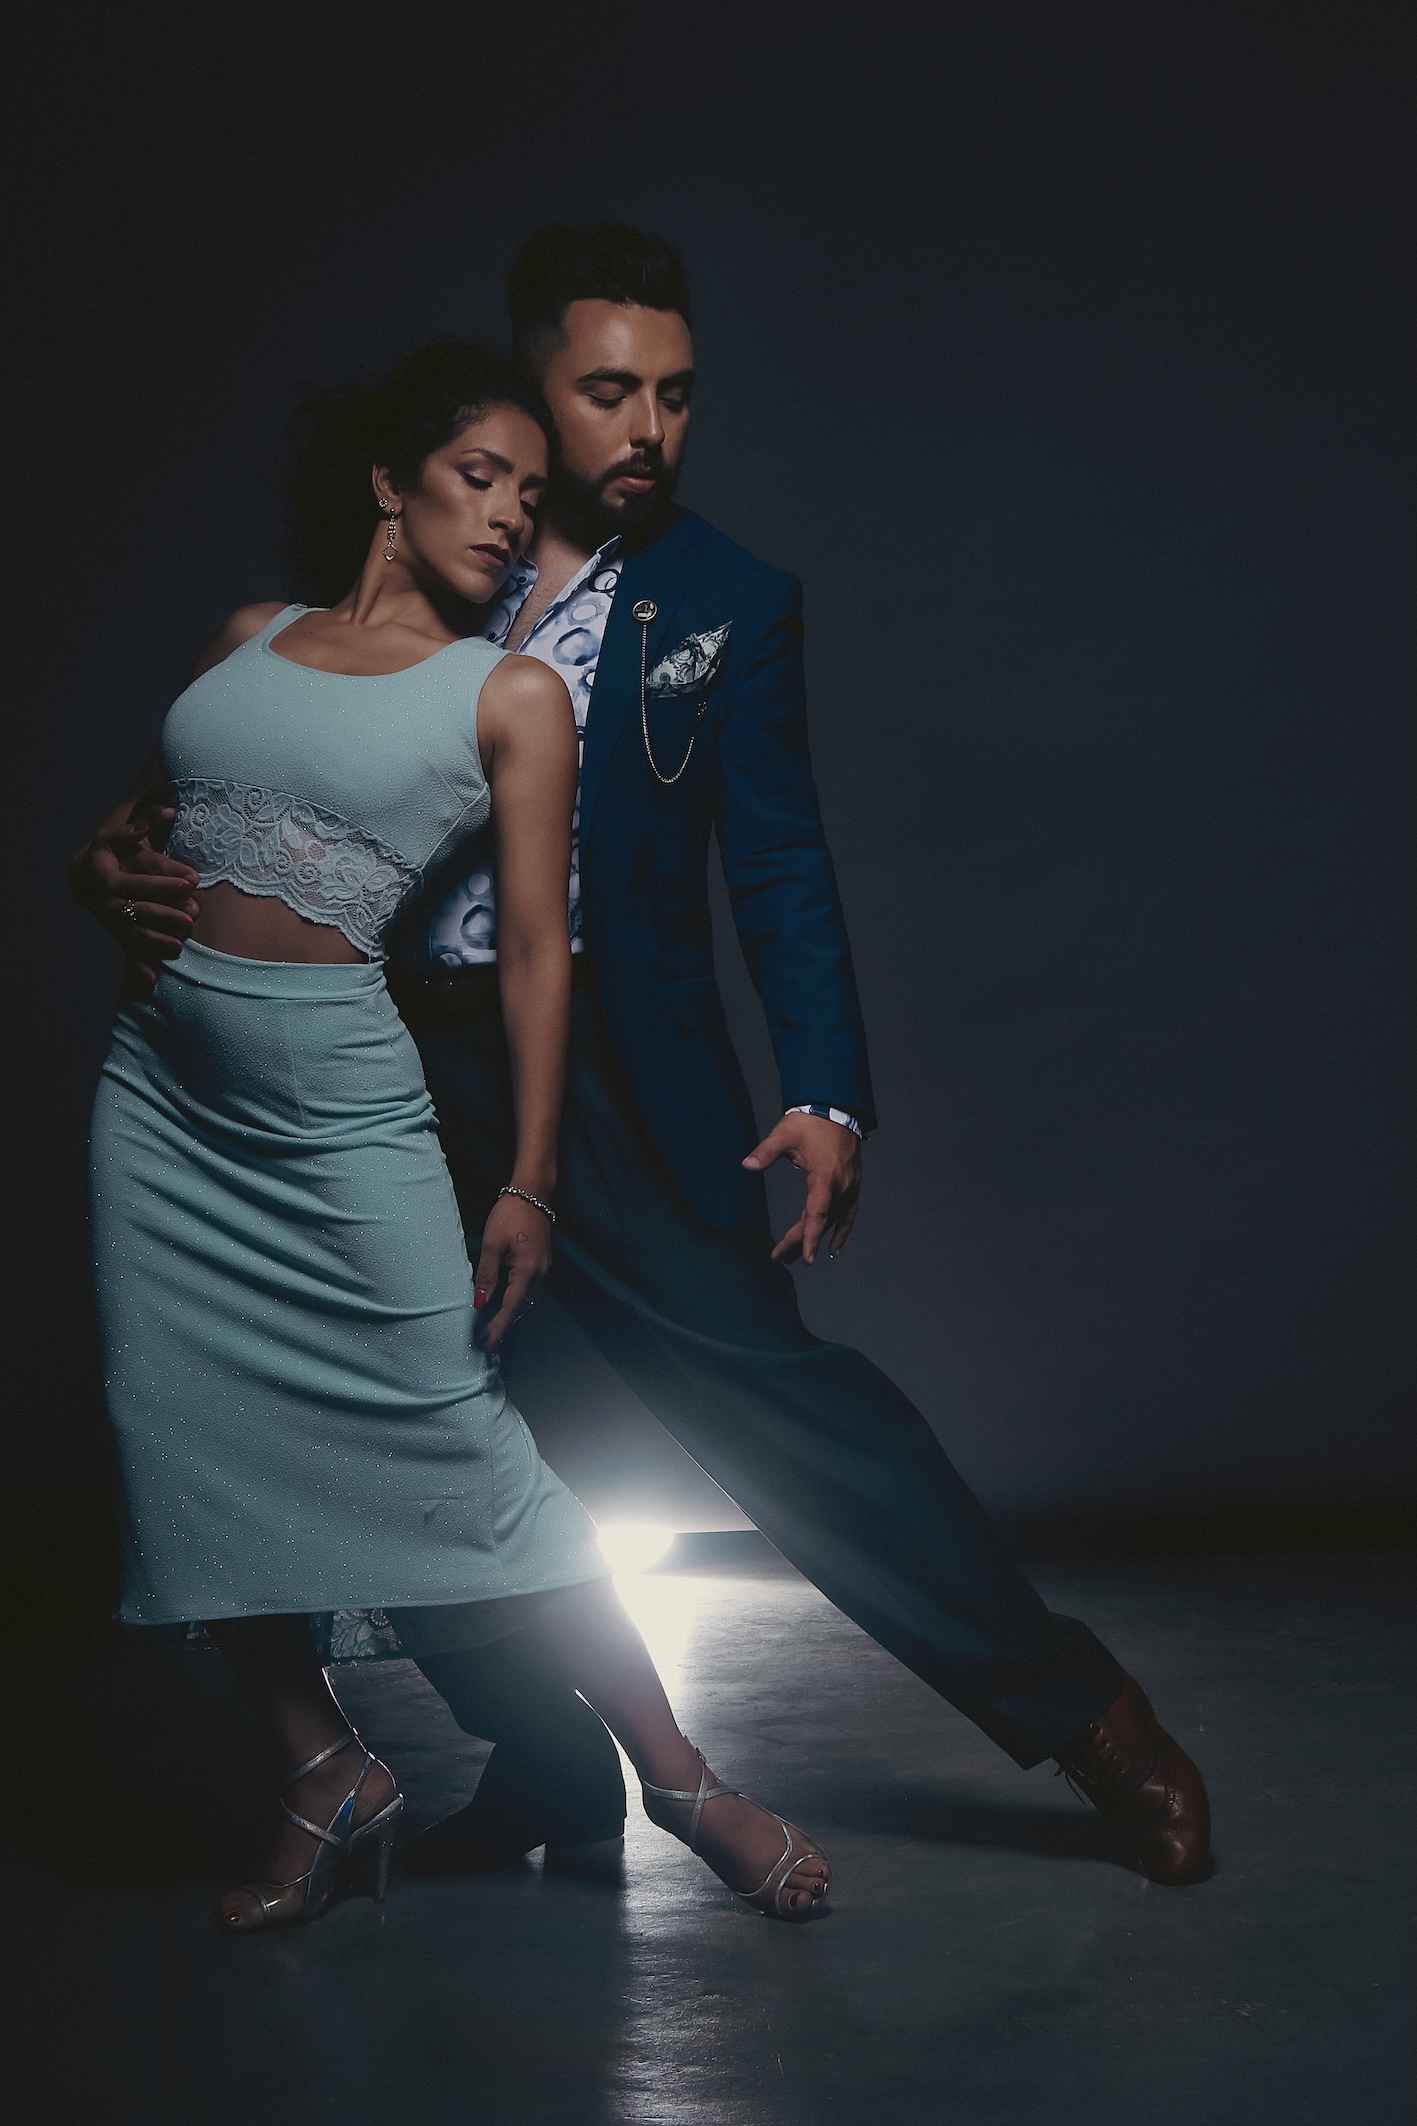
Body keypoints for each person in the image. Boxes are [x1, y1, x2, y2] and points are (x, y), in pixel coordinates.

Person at [74, 226, 1212, 1890]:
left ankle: (1087, 1713)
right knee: (423, 1432)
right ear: (528, 391)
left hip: (614, 1073)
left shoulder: (724, 600)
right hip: (385, 1066)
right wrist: (120, 861)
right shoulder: (410, 539)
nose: (648, 430)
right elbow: (246, 761)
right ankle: (542, 1764)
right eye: (609, 392)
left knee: (790, 1416)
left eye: (676, 396)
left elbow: (779, 860)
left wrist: (823, 1089)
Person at [81, 338, 830, 1930]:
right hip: (162, 1097)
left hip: (338, 1105)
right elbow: (133, 830)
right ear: (388, 480)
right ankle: (320, 1766)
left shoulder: (507, 693)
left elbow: (542, 949)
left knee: (473, 1462)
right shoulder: (247, 638)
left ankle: (678, 1777)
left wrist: (529, 1178)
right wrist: (98, 873)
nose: (504, 517)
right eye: (476, 477)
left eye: (526, 496)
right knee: (179, 1434)